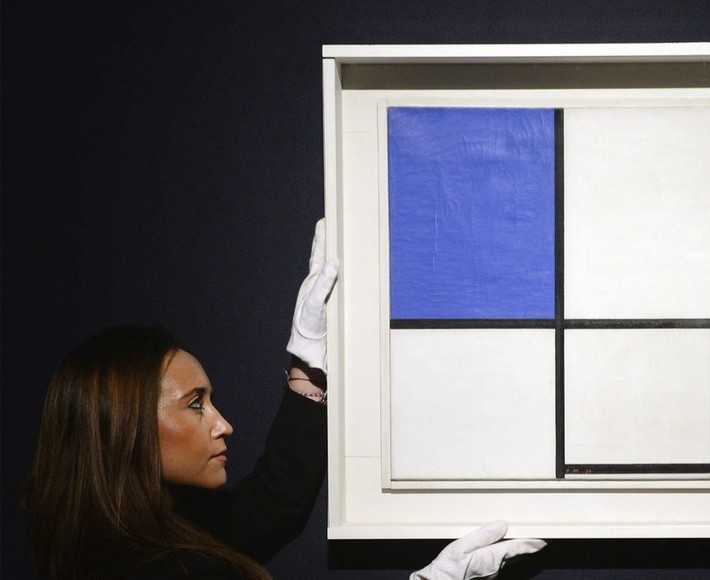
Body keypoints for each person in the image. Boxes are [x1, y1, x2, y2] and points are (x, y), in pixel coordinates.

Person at [22, 220, 546, 579]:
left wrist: (304, 368)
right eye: (196, 404)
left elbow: (271, 504)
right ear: (124, 427)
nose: (223, 424)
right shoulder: (167, 567)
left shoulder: (136, 538)